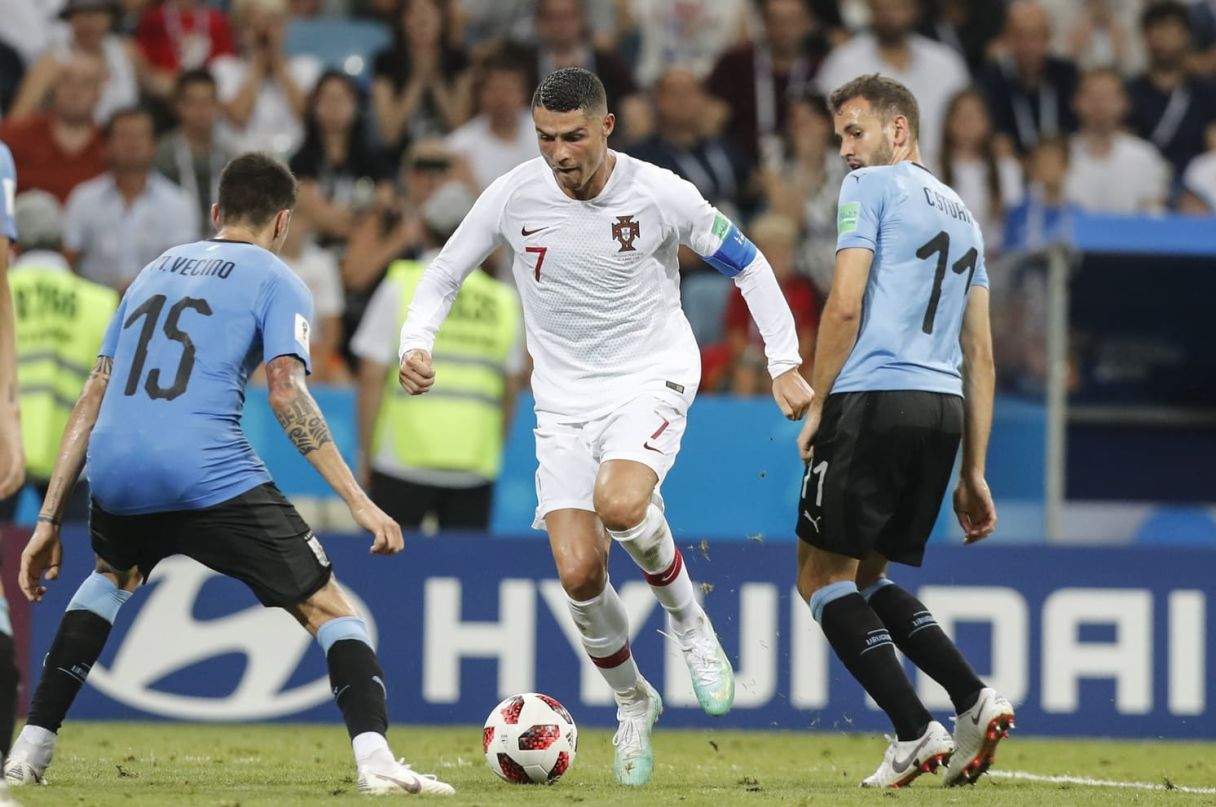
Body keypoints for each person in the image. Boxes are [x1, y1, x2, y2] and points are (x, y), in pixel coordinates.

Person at [398, 67, 813, 785]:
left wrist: (783, 360)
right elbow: (442, 275)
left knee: (621, 503)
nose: (560, 153)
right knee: (578, 570)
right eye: (547, 138)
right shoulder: (512, 194)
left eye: (574, 137)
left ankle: (690, 623)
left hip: (649, 377)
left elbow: (747, 263)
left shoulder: (660, 193)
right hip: (560, 403)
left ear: (607, 127)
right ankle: (632, 701)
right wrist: (416, 341)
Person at [2, 153, 454, 797]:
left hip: (114, 469)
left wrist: (48, 518)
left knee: (110, 578)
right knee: (328, 606)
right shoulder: (278, 277)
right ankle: (377, 763)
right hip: (203, 467)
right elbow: (285, 389)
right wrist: (358, 498)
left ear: (216, 214)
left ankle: (28, 753)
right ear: (283, 222)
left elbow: (93, 393)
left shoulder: (150, 272)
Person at [794, 74, 1013, 789]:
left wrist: (820, 402)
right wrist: (973, 469)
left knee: (819, 576)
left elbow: (844, 304)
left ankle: (916, 731)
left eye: (855, 132)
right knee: (870, 573)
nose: (846, 151)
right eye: (839, 139)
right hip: (941, 410)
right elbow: (980, 352)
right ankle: (974, 696)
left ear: (900, 130)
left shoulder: (871, 190)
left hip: (874, 398)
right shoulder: (965, 215)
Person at [354, 181, 523, 531]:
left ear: (425, 230)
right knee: (463, 578)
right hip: (472, 466)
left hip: (399, 461)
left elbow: (371, 376)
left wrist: (366, 454)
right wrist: (491, 451)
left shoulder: (401, 285)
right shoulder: (503, 302)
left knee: (386, 575)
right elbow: (510, 391)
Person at [1, 190, 118, 524]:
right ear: (61, 242)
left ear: (14, 243)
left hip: (5, 448)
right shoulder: (101, 301)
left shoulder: (2, 291)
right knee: (76, 561)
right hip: (74, 454)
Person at [64, 107, 199, 292]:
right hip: (96, 309)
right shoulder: (84, 198)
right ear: (106, 146)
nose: (132, 144)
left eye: (140, 136)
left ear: (154, 145)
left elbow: (185, 273)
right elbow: (66, 263)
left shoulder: (178, 203)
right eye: (124, 136)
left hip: (157, 309)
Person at [1065, 67, 1170, 214]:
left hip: (1131, 234)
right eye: (1092, 96)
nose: (1099, 104)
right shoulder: (1060, 153)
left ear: (1125, 103)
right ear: (1075, 102)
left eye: (1108, 96)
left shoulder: (1144, 155)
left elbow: (1153, 212)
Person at [155, 69, 233, 239]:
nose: (201, 111)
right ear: (177, 106)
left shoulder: (228, 156)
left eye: (207, 102)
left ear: (218, 105)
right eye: (193, 103)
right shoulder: (161, 155)